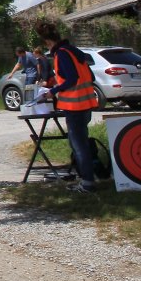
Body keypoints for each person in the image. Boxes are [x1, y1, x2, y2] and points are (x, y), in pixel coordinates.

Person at [37, 18, 100, 191]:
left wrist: (53, 91)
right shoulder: (74, 51)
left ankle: (87, 183)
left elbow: (72, 78)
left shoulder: (61, 54)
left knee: (79, 146)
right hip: (86, 103)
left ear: (48, 42)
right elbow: (90, 77)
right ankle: (89, 177)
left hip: (75, 106)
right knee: (82, 143)